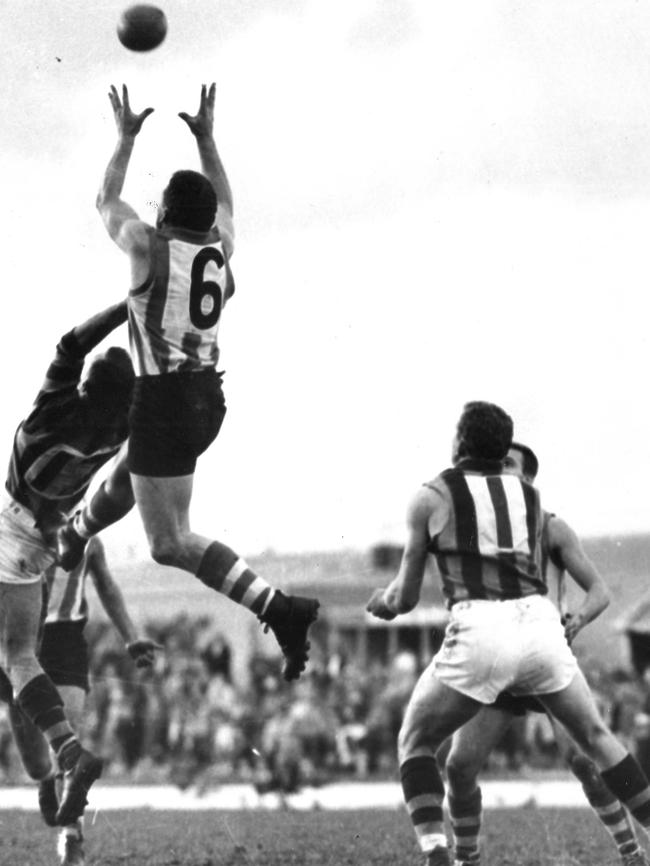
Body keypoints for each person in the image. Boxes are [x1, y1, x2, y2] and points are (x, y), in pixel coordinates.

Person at [56, 82, 319, 681]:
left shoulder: (149, 247)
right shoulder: (221, 251)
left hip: (165, 400)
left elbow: (104, 198)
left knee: (168, 543)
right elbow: (227, 204)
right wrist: (207, 139)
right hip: (207, 399)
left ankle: (279, 608)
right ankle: (76, 533)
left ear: (166, 215)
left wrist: (124, 140)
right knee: (129, 471)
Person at [367, 401, 650, 866]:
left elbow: (406, 598)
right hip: (539, 631)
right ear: (502, 457)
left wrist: (386, 600)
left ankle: (442, 855)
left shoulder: (433, 495)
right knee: (596, 739)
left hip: (485, 630)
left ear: (459, 442)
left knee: (415, 740)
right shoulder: (533, 505)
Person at [444, 442, 647, 866]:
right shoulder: (476, 533)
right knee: (460, 766)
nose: (498, 473)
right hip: (496, 662)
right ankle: (466, 858)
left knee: (584, 759)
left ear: (530, 481)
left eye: (509, 466)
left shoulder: (550, 529)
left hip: (545, 658)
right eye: (493, 465)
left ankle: (632, 852)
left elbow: (600, 591)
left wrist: (578, 619)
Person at [0, 300, 133, 827]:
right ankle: (69, 753)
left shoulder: (59, 410)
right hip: (42, 541)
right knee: (21, 656)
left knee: (16, 657)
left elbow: (69, 344)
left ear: (87, 387)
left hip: (11, 526)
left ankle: (68, 753)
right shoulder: (117, 430)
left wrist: (127, 307)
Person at [4, 535, 159, 866]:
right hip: (17, 637)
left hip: (64, 637)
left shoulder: (88, 538)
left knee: (69, 725)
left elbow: (106, 585)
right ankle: (46, 779)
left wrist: (131, 636)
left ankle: (71, 837)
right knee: (34, 761)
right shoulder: (11, 528)